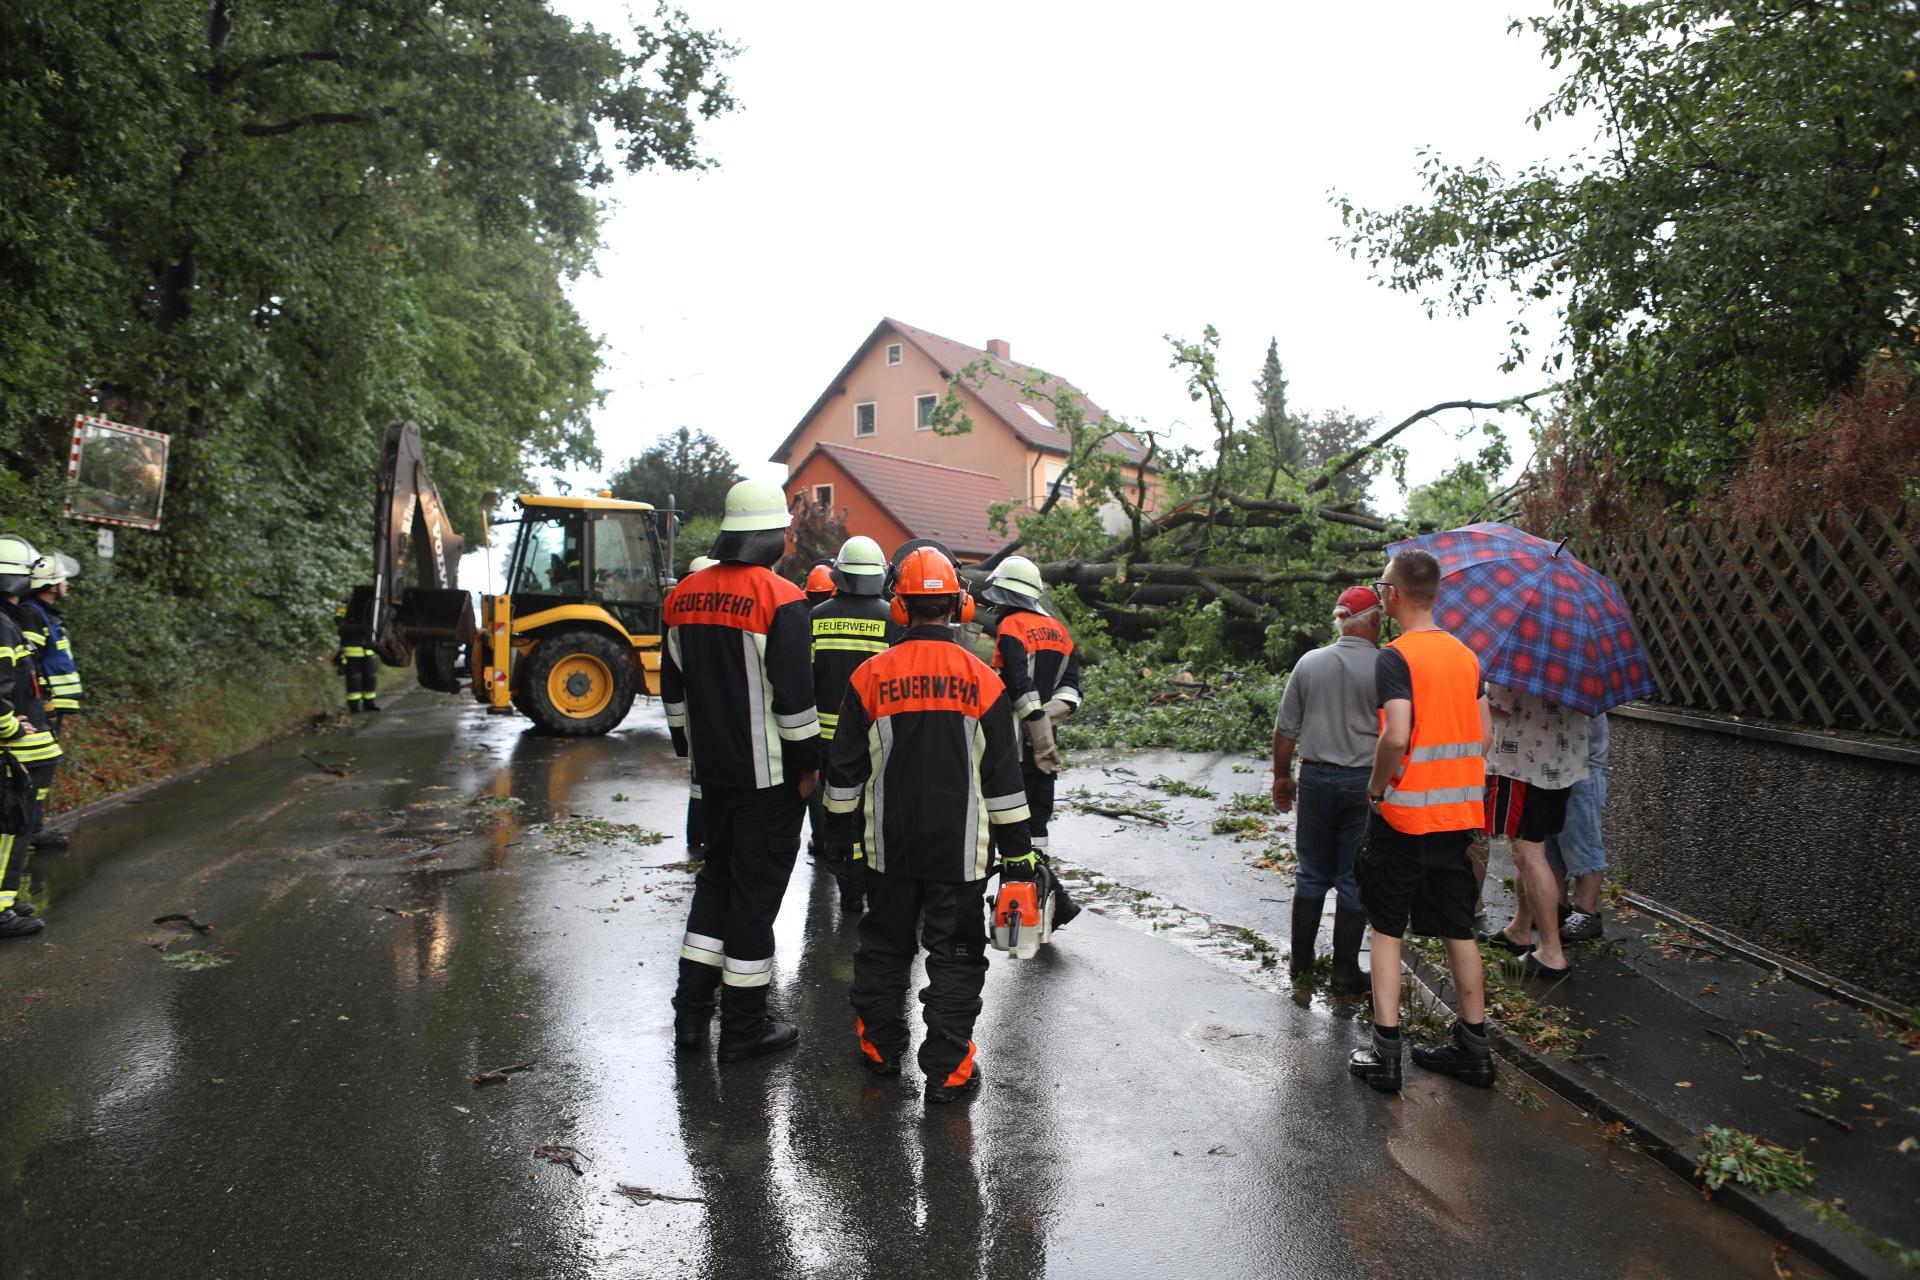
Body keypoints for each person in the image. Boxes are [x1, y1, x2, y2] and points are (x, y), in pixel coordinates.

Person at [818, 546, 1034, 1105]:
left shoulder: (870, 677)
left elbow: (843, 775)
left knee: (885, 952)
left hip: (887, 850)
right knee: (956, 959)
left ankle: (880, 1052)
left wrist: (837, 841)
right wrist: (1018, 857)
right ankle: (948, 1072)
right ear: (960, 605)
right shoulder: (984, 682)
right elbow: (1005, 785)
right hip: (960, 856)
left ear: (899, 606)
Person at [662, 485, 820, 1063]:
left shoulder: (681, 596)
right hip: (770, 780)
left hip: (714, 778)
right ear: (770, 535)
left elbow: (672, 692)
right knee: (754, 901)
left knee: (717, 886)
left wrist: (690, 748)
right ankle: (744, 1029)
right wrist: (808, 767)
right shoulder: (782, 599)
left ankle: (690, 1017)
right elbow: (795, 702)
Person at [1349, 549, 1496, 1093]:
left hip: (1404, 817)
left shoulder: (1396, 657)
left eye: (1381, 587)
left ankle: (1386, 1056)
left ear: (1391, 596)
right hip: (1458, 817)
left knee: (1386, 930)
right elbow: (1485, 737)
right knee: (1459, 928)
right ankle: (1474, 1050)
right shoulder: (1466, 656)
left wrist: (1376, 788)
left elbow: (1395, 733)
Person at [1270, 585, 1381, 993]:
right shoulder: (1387, 666)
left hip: (1316, 779)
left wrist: (1282, 776)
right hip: (1365, 783)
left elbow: (1285, 730)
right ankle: (1345, 972)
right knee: (1353, 877)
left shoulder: (1309, 663)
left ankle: (1300, 965)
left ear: (1340, 621)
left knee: (1312, 872)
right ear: (1375, 620)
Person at [978, 555, 1081, 930]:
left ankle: (1028, 905)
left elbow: (1017, 685)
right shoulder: (1060, 631)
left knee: (1008, 827)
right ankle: (1042, 904)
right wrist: (1047, 726)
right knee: (1037, 826)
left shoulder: (1011, 626)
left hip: (1013, 749)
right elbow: (1072, 691)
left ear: (1005, 594)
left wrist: (1034, 730)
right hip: (1046, 751)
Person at [806, 535, 893, 913]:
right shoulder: (892, 618)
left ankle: (850, 891)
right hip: (878, 740)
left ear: (839, 573)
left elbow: (802, 681)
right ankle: (881, 889)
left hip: (825, 742)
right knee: (876, 815)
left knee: (840, 816)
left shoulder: (816, 617)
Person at [1481, 683, 1589, 978]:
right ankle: (1519, 929)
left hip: (1521, 767)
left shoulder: (1519, 664)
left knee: (1529, 855)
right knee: (1530, 851)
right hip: (1561, 764)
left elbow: (1493, 707)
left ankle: (1552, 954)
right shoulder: (1571, 662)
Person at [0, 536, 62, 937]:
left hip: (18, 737)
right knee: (11, 825)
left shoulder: (8, 622)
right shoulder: (4, 625)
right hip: (12, 744)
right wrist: (9, 726)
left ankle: (5, 899)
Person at [20, 552, 80, 850]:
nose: (67, 583)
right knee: (40, 768)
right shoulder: (33, 613)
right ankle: (30, 830)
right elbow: (32, 661)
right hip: (42, 706)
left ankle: (33, 827)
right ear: (51, 584)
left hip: (51, 706)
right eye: (63, 579)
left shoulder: (46, 613)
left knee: (45, 767)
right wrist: (44, 699)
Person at [1546, 711, 1610, 943]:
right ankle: (1559, 906)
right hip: (1553, 765)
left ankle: (1587, 912)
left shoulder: (1581, 686)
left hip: (1582, 765)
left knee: (1582, 840)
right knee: (1552, 842)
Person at [674, 555, 718, 857]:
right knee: (705, 781)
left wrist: (679, 733)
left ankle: (697, 835)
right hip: (712, 712)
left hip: (696, 711)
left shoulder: (683, 619)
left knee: (699, 779)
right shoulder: (716, 620)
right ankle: (705, 836)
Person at [334, 603, 380, 714]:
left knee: (370, 679)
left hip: (367, 653)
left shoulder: (368, 610)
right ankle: (354, 707)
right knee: (354, 680)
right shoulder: (343, 610)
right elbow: (338, 620)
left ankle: (369, 704)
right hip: (352, 653)